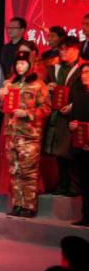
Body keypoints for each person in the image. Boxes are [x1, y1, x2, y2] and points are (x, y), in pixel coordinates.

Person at [0, 51, 52, 218]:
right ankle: (18, 205)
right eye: (17, 63)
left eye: (23, 63)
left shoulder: (38, 85)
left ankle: (29, 206)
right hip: (12, 134)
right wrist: (1, 96)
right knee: (14, 171)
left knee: (28, 172)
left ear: (30, 65)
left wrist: (27, 113)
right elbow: (3, 108)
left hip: (29, 135)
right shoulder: (11, 84)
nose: (19, 66)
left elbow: (46, 108)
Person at [44, 36, 85, 197]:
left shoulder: (83, 69)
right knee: (58, 152)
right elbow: (44, 89)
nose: (62, 52)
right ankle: (62, 184)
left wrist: (73, 106)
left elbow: (85, 92)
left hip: (75, 115)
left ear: (76, 50)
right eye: (61, 49)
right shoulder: (54, 68)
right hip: (56, 115)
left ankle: (74, 186)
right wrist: (48, 87)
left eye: (66, 49)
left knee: (72, 152)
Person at [68, 66, 89, 226]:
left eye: (88, 72)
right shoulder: (78, 94)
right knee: (84, 181)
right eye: (83, 72)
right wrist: (71, 125)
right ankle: (86, 216)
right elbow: (73, 118)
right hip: (80, 144)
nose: (84, 75)